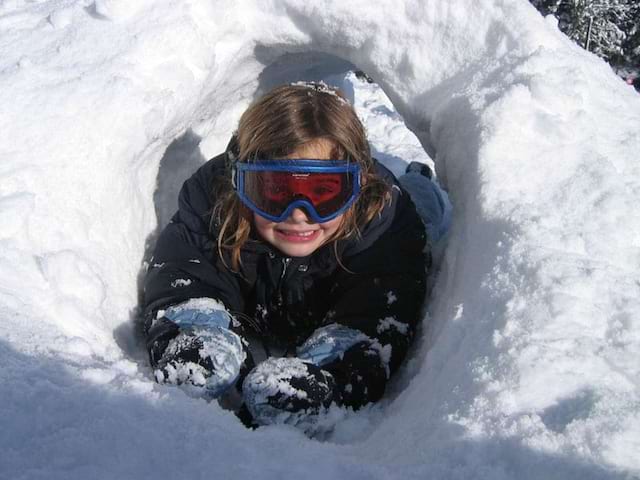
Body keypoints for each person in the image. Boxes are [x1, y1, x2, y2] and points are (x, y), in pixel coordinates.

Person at [141, 82, 451, 433]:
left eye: (323, 193)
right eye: (276, 191)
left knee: (423, 211)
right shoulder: (214, 204)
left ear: (358, 187)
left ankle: (418, 180)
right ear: (240, 184)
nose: (299, 214)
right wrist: (196, 329)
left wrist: (330, 371)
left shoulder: (383, 220)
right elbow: (184, 270)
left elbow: (377, 312)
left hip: (393, 214)